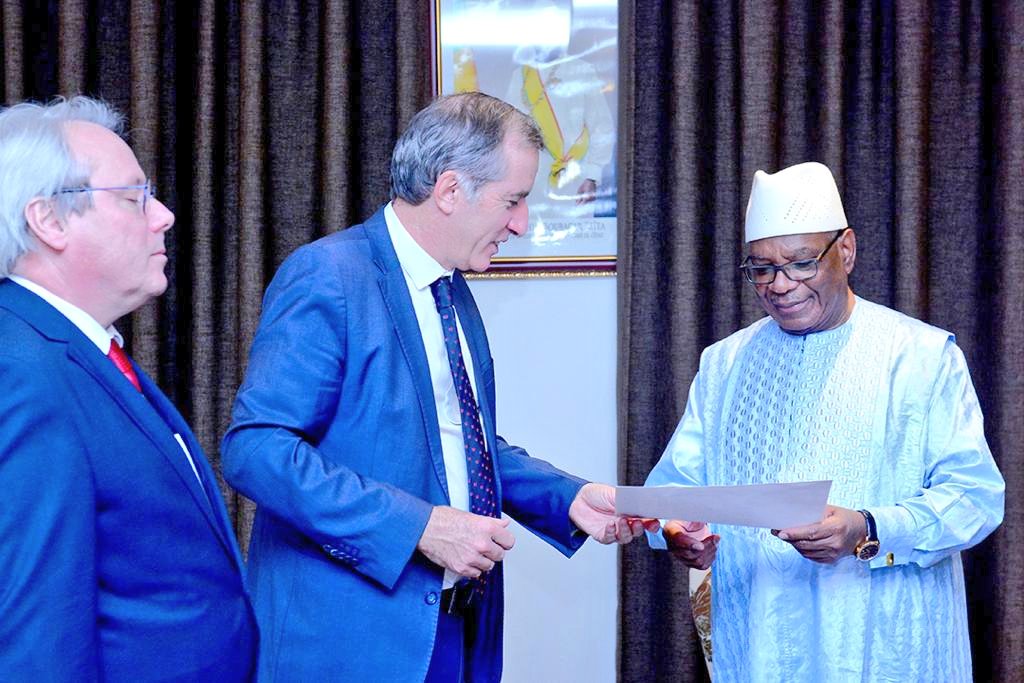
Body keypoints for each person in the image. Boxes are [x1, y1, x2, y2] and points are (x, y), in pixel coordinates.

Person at [221, 92, 653, 682]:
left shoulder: (452, 288)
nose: (522, 224)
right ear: (450, 190)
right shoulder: (329, 276)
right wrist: (418, 528)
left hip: (454, 632)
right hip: (350, 645)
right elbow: (256, 450)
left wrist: (569, 498)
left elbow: (461, 445)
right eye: (513, 200)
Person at [644, 161, 1004, 681]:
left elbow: (975, 497)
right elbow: (673, 491)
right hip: (761, 643)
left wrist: (867, 528)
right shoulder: (724, 363)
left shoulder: (920, 356)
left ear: (847, 251)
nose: (780, 285)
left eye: (801, 264)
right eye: (762, 269)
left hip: (887, 645)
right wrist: (676, 530)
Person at [0, 97, 258, 680]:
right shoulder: (21, 370)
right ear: (49, 221)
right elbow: (35, 632)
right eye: (132, 197)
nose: (163, 215)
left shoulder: (81, 351)